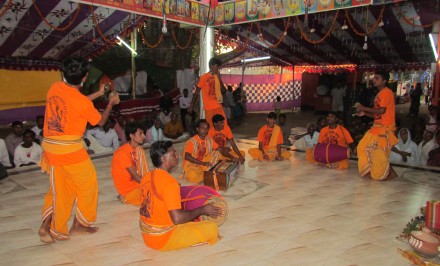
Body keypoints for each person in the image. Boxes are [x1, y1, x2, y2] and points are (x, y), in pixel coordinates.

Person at [38, 57, 120, 243]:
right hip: (70, 151)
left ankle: (46, 227)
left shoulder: (55, 88)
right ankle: (80, 225)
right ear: (84, 77)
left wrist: (99, 93)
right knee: (88, 186)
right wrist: (109, 104)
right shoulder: (82, 102)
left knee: (59, 189)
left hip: (50, 149)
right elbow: (99, 121)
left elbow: (74, 101)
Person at [139, 141, 221, 251]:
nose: (177, 155)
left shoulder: (147, 176)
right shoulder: (169, 183)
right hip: (163, 238)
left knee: (192, 221)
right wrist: (203, 209)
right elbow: (177, 218)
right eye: (173, 154)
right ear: (164, 159)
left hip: (147, 235)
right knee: (211, 228)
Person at [356, 71, 398, 181]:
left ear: (384, 81)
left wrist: (364, 108)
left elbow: (382, 110)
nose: (374, 80)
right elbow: (377, 114)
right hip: (377, 126)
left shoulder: (387, 92)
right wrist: (365, 113)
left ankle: (386, 174)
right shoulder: (379, 94)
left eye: (377, 78)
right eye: (374, 78)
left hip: (384, 127)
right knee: (363, 147)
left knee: (379, 152)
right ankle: (372, 170)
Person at [111, 122, 150, 206]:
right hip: (128, 189)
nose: (144, 136)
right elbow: (135, 177)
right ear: (131, 136)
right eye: (140, 134)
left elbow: (143, 173)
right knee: (153, 197)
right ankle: (126, 197)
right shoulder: (122, 152)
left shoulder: (138, 150)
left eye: (143, 133)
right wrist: (151, 184)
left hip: (137, 185)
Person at [189, 58, 227, 128]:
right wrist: (191, 105)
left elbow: (224, 91)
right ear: (211, 66)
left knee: (223, 125)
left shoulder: (217, 76)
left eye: (218, 66)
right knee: (210, 127)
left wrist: (219, 78)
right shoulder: (204, 77)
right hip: (209, 107)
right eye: (216, 66)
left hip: (218, 105)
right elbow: (196, 92)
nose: (218, 68)